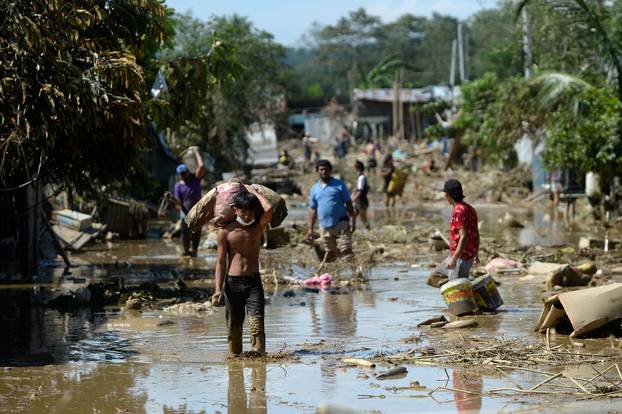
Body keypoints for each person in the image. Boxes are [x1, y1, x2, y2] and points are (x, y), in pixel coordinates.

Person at [212, 189, 273, 356]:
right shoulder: (225, 231)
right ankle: (235, 365)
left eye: (251, 210)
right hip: (233, 284)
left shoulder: (257, 226)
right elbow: (220, 263)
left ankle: (259, 366)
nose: (247, 215)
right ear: (235, 210)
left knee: (257, 324)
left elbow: (268, 209)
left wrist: (251, 190)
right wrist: (217, 289)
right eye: (243, 210)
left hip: (253, 283)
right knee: (234, 326)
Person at [306, 159, 356, 262]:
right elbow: (313, 209)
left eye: (326, 169)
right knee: (330, 252)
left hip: (341, 223)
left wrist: (352, 220)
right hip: (324, 226)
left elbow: (349, 203)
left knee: (346, 250)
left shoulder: (339, 185)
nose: (324, 172)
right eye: (321, 169)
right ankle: (333, 275)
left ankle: (356, 273)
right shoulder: (315, 188)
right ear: (317, 171)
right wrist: (310, 228)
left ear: (330, 170)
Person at [442, 179, 480, 280]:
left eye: (446, 195)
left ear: (450, 195)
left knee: (457, 291)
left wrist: (454, 259)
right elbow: (476, 234)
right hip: (469, 257)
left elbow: (464, 237)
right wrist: (476, 254)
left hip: (460, 258)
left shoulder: (458, 211)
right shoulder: (470, 209)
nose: (445, 197)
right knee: (461, 286)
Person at [174, 161, 205, 257]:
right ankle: (186, 251)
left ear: (188, 172)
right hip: (185, 212)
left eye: (184, 173)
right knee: (185, 232)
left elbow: (201, 166)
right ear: (179, 175)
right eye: (181, 174)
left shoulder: (196, 180)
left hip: (198, 211)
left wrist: (196, 151)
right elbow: (178, 202)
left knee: (197, 232)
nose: (183, 175)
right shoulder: (178, 185)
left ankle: (194, 251)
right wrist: (174, 201)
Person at [352, 160, 371, 230]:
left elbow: (360, 191)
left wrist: (352, 199)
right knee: (353, 216)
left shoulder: (361, 177)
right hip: (358, 200)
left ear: (357, 168)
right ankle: (351, 231)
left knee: (363, 218)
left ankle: (370, 232)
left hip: (361, 201)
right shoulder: (360, 177)